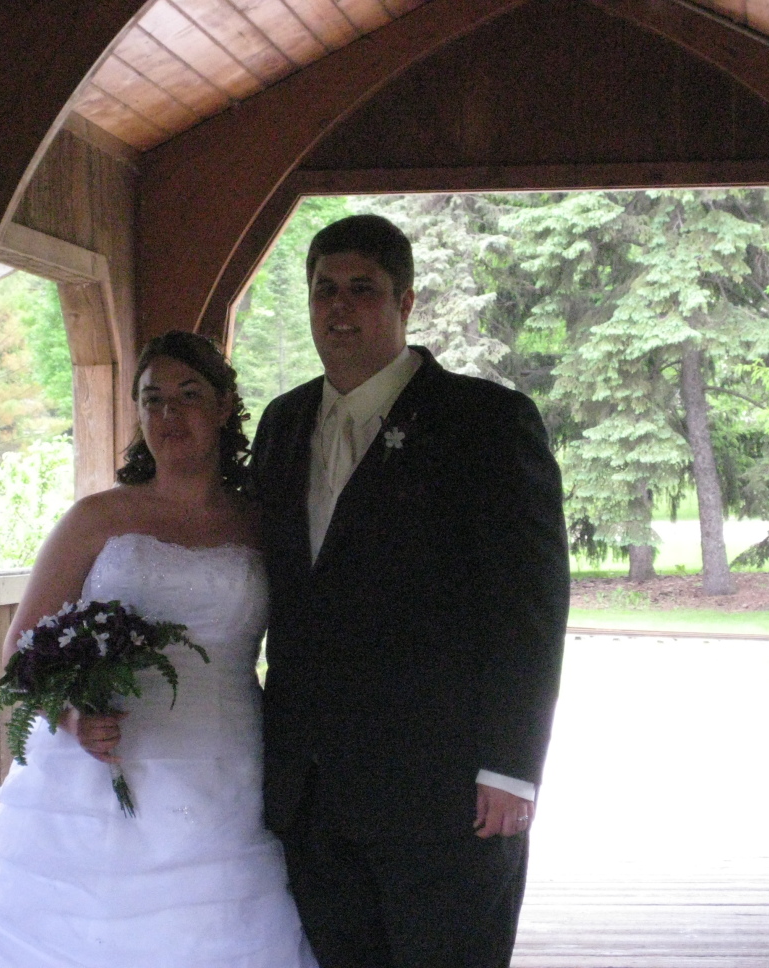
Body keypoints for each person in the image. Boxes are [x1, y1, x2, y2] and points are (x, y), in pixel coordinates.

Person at [0, 330, 318, 968]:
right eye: (152, 399)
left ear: (224, 406)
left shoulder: (262, 523)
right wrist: (73, 717)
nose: (169, 414)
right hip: (102, 766)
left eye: (189, 395)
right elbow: (21, 647)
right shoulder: (97, 518)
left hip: (226, 771)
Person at [250, 214, 570, 968]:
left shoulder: (487, 422)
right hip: (311, 793)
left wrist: (512, 766)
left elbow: (529, 608)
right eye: (325, 289)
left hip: (445, 792)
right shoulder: (283, 424)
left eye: (362, 289)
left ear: (406, 302)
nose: (339, 307)